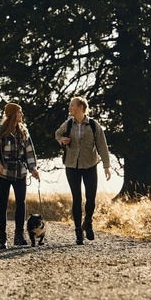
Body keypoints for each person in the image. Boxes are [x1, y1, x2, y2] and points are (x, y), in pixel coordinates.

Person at [55, 96, 111, 245]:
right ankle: (78, 231)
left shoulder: (93, 125)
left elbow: (102, 146)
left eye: (72, 106)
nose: (69, 108)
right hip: (71, 166)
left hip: (90, 165)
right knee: (77, 198)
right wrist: (62, 140)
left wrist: (106, 166)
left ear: (81, 107)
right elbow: (57, 134)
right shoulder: (68, 124)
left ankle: (88, 222)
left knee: (91, 197)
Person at [0, 102, 40, 249]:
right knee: (2, 205)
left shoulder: (24, 131)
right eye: (19, 112)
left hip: (19, 172)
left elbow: (30, 152)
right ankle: (2, 238)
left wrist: (33, 168)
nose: (22, 115)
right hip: (2, 173)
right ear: (12, 114)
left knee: (21, 203)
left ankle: (19, 235)